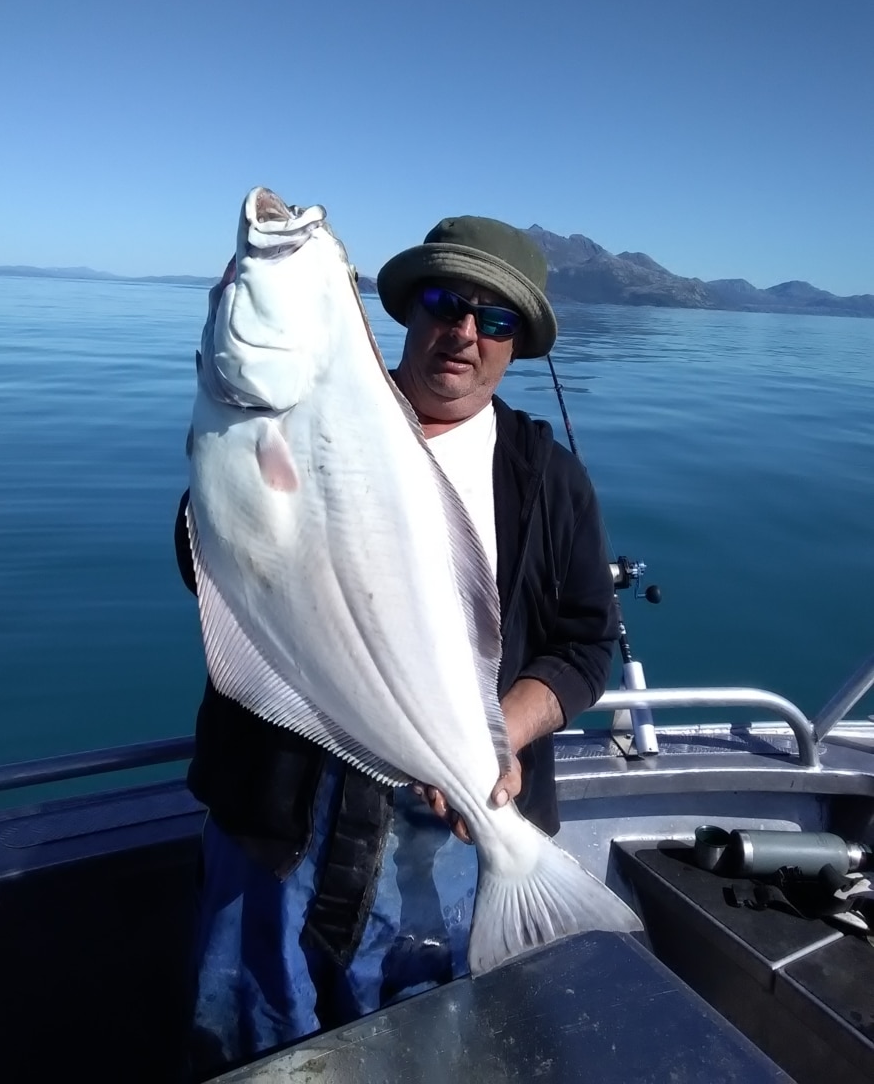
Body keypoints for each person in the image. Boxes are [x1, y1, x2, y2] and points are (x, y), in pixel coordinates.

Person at [174, 215, 618, 1077]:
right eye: (447, 302)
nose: (465, 332)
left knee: (419, 1056)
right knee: (250, 1051)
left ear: (516, 344)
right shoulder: (315, 409)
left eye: (495, 319)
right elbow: (206, 566)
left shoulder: (548, 478)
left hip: (442, 845)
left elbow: (585, 644)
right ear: (411, 310)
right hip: (275, 825)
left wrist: (497, 738)